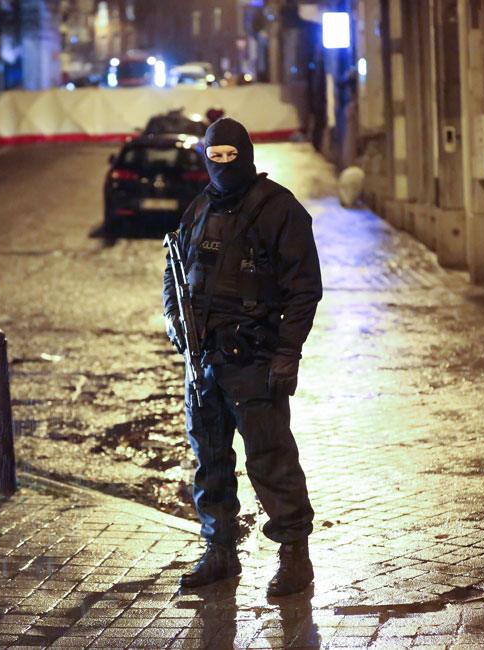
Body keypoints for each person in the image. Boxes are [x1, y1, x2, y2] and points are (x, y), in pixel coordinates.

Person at [162, 117, 321, 597]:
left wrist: (286, 354)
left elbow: (304, 289)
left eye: (232, 157)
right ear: (205, 157)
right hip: (203, 363)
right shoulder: (198, 209)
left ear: (246, 154)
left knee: (271, 460)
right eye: (216, 157)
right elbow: (174, 270)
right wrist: (175, 320)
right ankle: (220, 552)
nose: (224, 166)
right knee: (209, 462)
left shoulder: (278, 210)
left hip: (254, 362)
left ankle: (295, 556)